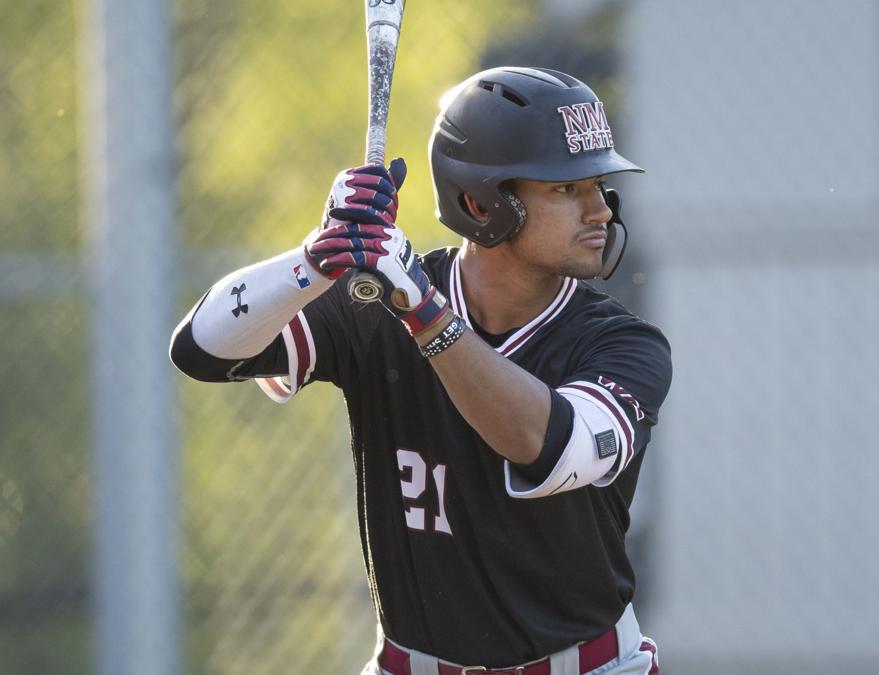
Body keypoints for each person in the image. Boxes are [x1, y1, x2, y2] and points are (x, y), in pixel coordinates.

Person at [170, 66, 671, 675]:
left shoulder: (623, 344)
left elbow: (545, 446)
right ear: (479, 203)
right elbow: (202, 349)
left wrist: (425, 314)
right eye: (566, 189)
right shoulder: (380, 304)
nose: (600, 210)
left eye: (597, 184)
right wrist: (314, 259)